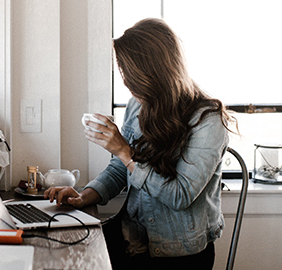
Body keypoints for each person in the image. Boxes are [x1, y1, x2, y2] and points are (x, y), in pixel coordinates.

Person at [44, 18, 237, 270]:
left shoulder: (208, 121)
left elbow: (180, 196)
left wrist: (125, 151)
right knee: (64, 255)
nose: (126, 82)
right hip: (132, 237)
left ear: (155, 71)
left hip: (178, 253)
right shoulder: (139, 104)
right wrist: (83, 197)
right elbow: (119, 169)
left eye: (130, 74)